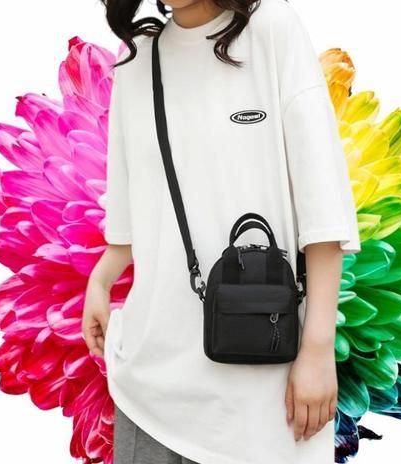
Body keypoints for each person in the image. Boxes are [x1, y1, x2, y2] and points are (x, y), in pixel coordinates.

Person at [83, 0, 361, 463]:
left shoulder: (272, 29)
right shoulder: (138, 61)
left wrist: (317, 349)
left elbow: (322, 208)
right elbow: (135, 206)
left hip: (266, 390)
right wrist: (101, 279)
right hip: (150, 389)